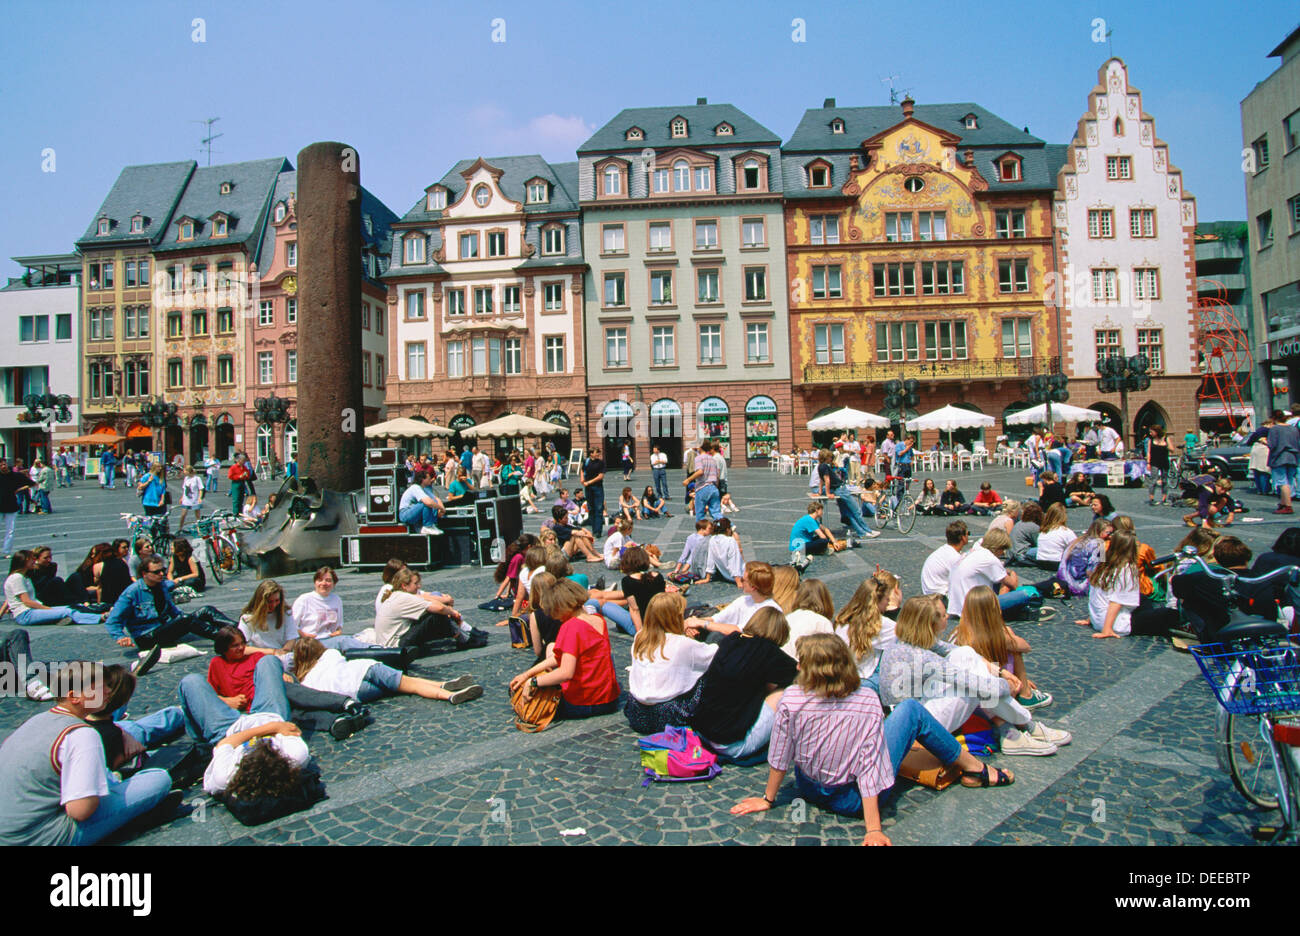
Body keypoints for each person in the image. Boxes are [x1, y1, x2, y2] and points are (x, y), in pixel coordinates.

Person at [730, 634, 1020, 844]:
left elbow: (781, 752)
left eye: (801, 663)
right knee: (911, 711)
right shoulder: (866, 699)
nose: (796, 668)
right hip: (850, 800)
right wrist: (872, 829)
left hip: (807, 786)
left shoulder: (791, 698)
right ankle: (973, 766)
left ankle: (967, 766)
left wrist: (769, 799)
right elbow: (871, 763)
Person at [0, 661, 174, 845]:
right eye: (100, 688)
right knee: (158, 779)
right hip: (40, 837)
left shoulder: (37, 720)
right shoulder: (82, 735)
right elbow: (80, 811)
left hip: (9, 832)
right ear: (74, 696)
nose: (108, 691)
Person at [877, 596, 1070, 755]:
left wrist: (998, 671)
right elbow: (973, 683)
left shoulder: (905, 641)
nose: (946, 619)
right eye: (942, 616)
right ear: (930, 625)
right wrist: (1005, 685)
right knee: (972, 687)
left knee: (966, 655)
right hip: (916, 727)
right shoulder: (920, 657)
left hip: (916, 707)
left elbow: (955, 650)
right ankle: (1025, 726)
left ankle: (1014, 731)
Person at [692, 607, 797, 759]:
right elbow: (796, 672)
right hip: (730, 743)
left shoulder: (731, 640)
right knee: (785, 690)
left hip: (703, 731)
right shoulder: (768, 651)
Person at [509, 578, 622, 719]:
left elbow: (566, 673)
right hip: (609, 700)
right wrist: (528, 674)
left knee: (536, 700)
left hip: (583, 703)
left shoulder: (570, 627)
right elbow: (560, 657)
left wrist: (533, 682)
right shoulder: (599, 619)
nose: (553, 616)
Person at [105, 555, 234, 669]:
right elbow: (112, 621)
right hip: (147, 636)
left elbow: (173, 610)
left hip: (164, 627)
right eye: (156, 572)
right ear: (144, 574)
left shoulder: (162, 585)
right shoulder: (132, 592)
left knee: (206, 610)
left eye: (163, 571)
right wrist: (120, 637)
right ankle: (226, 639)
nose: (161, 574)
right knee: (185, 620)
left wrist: (184, 619)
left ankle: (238, 628)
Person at [624, 593, 718, 734]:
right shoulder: (683, 644)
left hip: (636, 713)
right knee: (709, 674)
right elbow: (716, 655)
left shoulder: (640, 637)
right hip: (669, 716)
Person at [295, 635, 481, 705]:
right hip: (365, 669)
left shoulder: (305, 681)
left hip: (358, 693)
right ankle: (446, 691)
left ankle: (444, 688)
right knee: (410, 683)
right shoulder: (329, 655)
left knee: (400, 688)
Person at [953, 586, 1052, 709]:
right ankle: (1026, 695)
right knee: (1015, 648)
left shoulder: (958, 633)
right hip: (994, 686)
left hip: (971, 685)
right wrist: (1009, 635)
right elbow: (1026, 647)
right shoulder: (997, 636)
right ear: (994, 609)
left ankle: (1022, 685)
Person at [833, 571, 898, 687]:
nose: (888, 602)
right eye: (887, 599)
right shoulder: (879, 623)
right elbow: (907, 634)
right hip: (865, 679)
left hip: (841, 676)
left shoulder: (843, 618)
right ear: (878, 601)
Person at [4, 552, 104, 627]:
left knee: (70, 608)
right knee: (67, 611)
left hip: (31, 611)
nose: (34, 561)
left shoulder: (23, 577)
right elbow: (27, 602)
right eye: (31, 559)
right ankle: (101, 618)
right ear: (24, 561)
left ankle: (59, 618)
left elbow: (11, 598)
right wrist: (48, 609)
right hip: (25, 614)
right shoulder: (17, 578)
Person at [1074, 529, 1141, 639]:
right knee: (1167, 614)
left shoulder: (1104, 564)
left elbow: (1097, 595)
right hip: (1115, 624)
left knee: (1143, 599)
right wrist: (1107, 629)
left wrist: (1091, 618)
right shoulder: (1127, 569)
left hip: (1097, 618)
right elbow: (1117, 601)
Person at [291, 567, 370, 651]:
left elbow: (339, 625)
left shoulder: (336, 600)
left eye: (328, 580)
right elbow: (292, 625)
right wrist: (305, 635)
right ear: (315, 582)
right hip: (309, 643)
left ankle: (374, 649)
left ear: (334, 583)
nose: (324, 583)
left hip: (329, 640)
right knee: (344, 641)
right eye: (320, 580)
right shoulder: (304, 599)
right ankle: (374, 649)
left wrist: (338, 631)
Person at [1058, 517, 1113, 596]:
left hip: (1064, 580)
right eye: (1108, 533)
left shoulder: (1079, 539)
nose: (1110, 536)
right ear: (1099, 531)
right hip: (1078, 586)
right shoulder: (1099, 544)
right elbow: (1092, 571)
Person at [921, 521, 968, 597]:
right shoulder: (954, 557)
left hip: (929, 591)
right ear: (963, 537)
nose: (968, 536)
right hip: (938, 597)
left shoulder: (946, 550)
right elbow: (964, 579)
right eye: (967, 533)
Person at [683, 439, 722, 522]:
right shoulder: (713, 459)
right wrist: (716, 486)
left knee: (700, 513)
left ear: (700, 447)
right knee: (716, 512)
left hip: (702, 487)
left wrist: (688, 479)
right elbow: (717, 475)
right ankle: (727, 526)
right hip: (713, 487)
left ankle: (701, 532)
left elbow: (700, 471)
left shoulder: (698, 458)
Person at [0, 459, 31, 557]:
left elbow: (26, 483)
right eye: (1, 465)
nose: (3, 466)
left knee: (10, 530)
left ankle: (6, 551)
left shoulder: (12, 476)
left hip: (11, 506)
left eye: (4, 464)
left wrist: (17, 489)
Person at [398, 470, 445, 534]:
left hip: (413, 512)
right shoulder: (415, 487)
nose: (430, 480)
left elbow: (436, 499)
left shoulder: (424, 489)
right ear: (423, 480)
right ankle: (427, 526)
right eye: (428, 478)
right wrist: (440, 508)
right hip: (405, 514)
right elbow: (428, 502)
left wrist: (442, 509)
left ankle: (432, 525)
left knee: (432, 502)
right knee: (427, 503)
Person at [700, 516, 744, 584]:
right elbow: (734, 561)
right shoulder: (730, 540)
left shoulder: (712, 539)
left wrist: (707, 578)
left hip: (726, 576)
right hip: (741, 575)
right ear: (727, 529)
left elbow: (710, 560)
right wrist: (738, 582)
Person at [1034, 503, 1077, 570]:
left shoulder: (1043, 531)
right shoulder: (1066, 531)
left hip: (1041, 562)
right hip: (1057, 562)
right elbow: (1077, 547)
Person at [672, 518, 712, 582]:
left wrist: (677, 569)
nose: (711, 531)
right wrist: (684, 569)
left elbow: (684, 554)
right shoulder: (704, 541)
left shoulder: (690, 537)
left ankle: (680, 574)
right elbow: (693, 556)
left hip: (689, 566)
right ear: (702, 529)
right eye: (709, 529)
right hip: (697, 567)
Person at [582, 446, 608, 537]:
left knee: (599, 509)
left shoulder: (601, 463)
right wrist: (582, 479)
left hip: (597, 487)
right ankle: (594, 529)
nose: (598, 454)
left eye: (599, 453)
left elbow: (600, 476)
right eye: (597, 452)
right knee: (591, 508)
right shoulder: (586, 461)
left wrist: (589, 482)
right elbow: (582, 470)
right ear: (591, 453)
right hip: (588, 488)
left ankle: (598, 531)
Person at [1146, 426, 1171, 506]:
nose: (1150, 433)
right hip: (1154, 462)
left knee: (1164, 480)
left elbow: (1172, 449)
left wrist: (1167, 445)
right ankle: (1152, 499)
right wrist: (1148, 463)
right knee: (1153, 480)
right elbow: (1149, 452)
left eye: (1151, 432)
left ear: (1157, 432)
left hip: (1164, 461)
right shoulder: (1151, 440)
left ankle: (1164, 499)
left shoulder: (1166, 439)